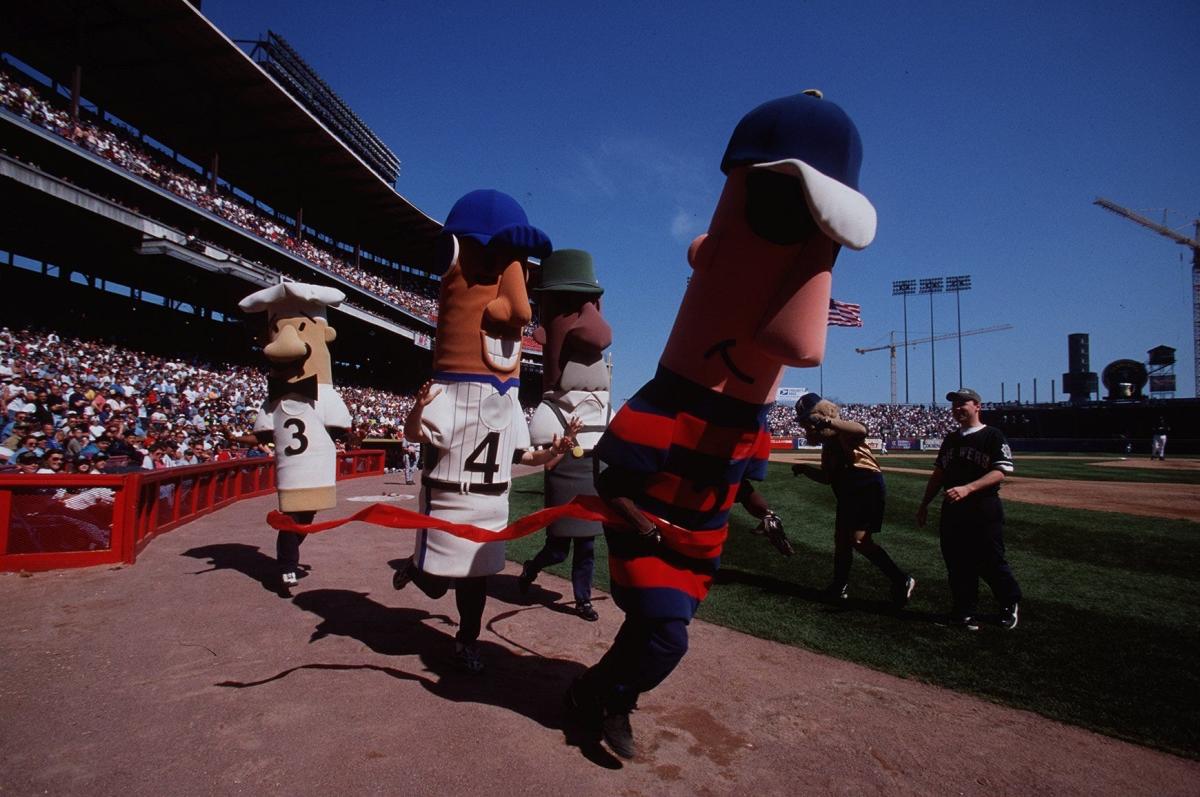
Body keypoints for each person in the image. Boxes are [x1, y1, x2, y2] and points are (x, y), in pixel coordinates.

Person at [569, 90, 878, 760]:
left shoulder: (749, 419)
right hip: (652, 537)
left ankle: (594, 690)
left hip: (698, 545)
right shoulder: (664, 406)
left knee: (652, 630)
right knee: (665, 636)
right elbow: (609, 473)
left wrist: (766, 518)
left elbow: (741, 480)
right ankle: (608, 701)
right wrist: (642, 521)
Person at [521, 248, 614, 622]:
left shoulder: (601, 398)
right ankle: (532, 567)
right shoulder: (555, 400)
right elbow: (540, 435)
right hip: (565, 468)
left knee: (588, 546)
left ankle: (582, 600)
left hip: (592, 471)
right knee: (559, 548)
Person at [791, 393, 914, 605]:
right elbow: (827, 478)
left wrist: (827, 421)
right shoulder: (828, 445)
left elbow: (862, 429)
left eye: (808, 420)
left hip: (865, 486)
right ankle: (839, 587)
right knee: (841, 541)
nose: (806, 427)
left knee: (859, 540)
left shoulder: (843, 433)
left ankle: (902, 579)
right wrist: (805, 470)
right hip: (848, 492)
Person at [916, 388, 1021, 631]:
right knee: (957, 562)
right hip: (953, 509)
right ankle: (964, 612)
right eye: (954, 405)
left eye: (963, 403)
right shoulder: (951, 439)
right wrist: (924, 504)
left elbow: (1000, 471)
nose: (957, 408)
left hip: (983, 507)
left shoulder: (992, 436)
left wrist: (968, 488)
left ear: (977, 406)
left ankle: (1009, 603)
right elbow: (939, 474)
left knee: (990, 559)